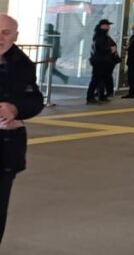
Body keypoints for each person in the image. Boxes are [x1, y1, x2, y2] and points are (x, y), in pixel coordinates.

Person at [0, 14, 45, 246]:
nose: (0, 38)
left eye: (6, 33)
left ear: (16, 36)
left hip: (6, 150)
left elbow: (35, 99)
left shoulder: (22, 63)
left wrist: (15, 109)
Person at [87, 19, 118, 104]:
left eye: (108, 25)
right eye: (106, 25)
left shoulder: (104, 36)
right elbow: (101, 48)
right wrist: (110, 49)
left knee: (102, 79)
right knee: (96, 79)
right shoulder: (100, 36)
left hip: (103, 61)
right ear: (101, 26)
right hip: (100, 61)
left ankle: (101, 95)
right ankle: (90, 97)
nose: (108, 27)